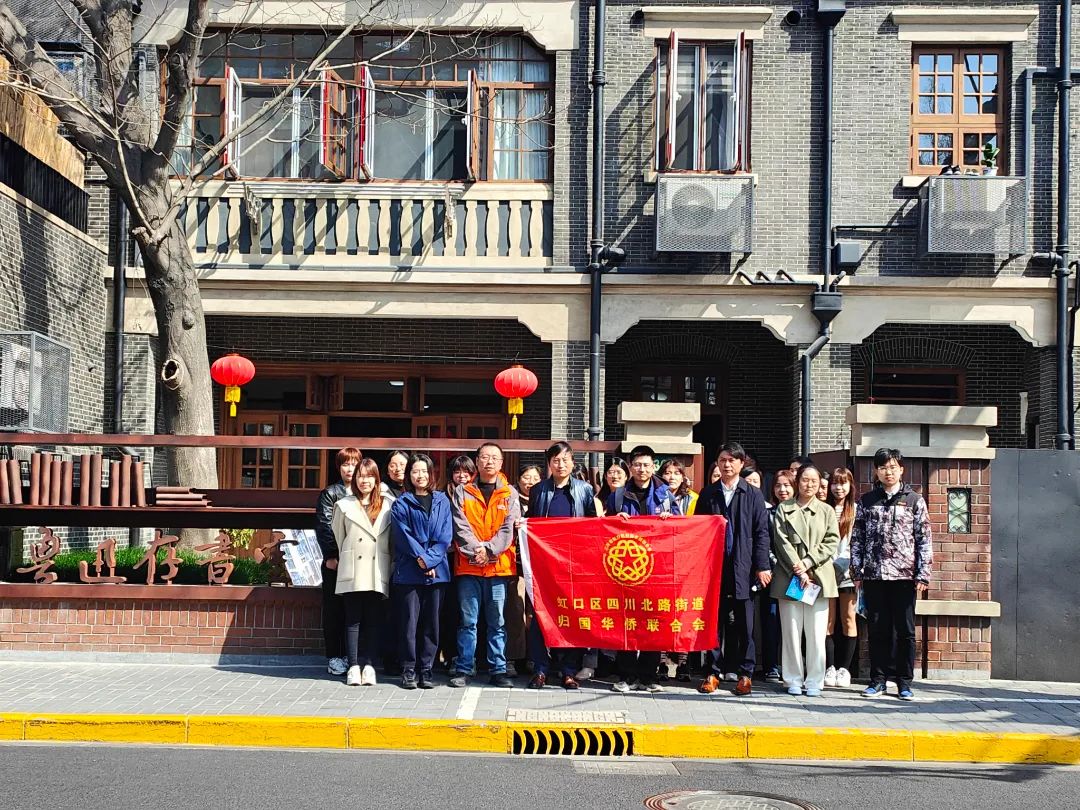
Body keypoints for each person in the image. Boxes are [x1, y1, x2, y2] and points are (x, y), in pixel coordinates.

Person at [851, 449, 933, 702]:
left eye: (893, 467)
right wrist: (856, 570)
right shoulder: (867, 501)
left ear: (901, 470)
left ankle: (904, 682)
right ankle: (877, 680)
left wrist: (923, 574)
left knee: (905, 631)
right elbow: (857, 538)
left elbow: (924, 538)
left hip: (904, 577)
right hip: (874, 575)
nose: (888, 472)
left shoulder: (914, 500)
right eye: (883, 467)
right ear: (876, 471)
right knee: (878, 630)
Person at [696, 442, 772, 697]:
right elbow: (697, 531)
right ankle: (713, 672)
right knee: (714, 624)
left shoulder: (753, 494)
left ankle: (745, 674)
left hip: (744, 568)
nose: (727, 464)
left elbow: (761, 533)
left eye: (732, 460)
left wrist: (762, 566)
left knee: (745, 625)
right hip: (714, 569)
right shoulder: (708, 494)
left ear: (741, 463)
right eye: (723, 460)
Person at [604, 445, 679, 694]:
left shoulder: (665, 494)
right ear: (630, 467)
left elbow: (680, 528)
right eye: (637, 464)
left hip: (657, 569)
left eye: (646, 464)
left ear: (654, 466)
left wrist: (671, 520)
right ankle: (627, 675)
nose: (642, 469)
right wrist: (616, 520)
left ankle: (648, 675)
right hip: (627, 567)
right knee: (626, 621)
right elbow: (605, 529)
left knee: (653, 621)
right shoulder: (618, 495)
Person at [525, 441, 597, 689]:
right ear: (549, 464)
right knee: (540, 615)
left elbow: (592, 526)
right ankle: (541, 669)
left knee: (572, 615)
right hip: (544, 565)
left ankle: (568, 670)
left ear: (573, 463)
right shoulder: (538, 490)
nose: (560, 465)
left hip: (574, 565)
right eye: (555, 460)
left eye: (565, 460)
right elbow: (531, 522)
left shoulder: (584, 490)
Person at [449, 442, 520, 688]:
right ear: (477, 461)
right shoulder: (463, 492)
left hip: (498, 568)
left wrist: (488, 551)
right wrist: (477, 551)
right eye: (484, 457)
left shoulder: (510, 493)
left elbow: (508, 528)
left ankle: (498, 669)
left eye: (494, 458)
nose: (489, 461)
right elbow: (459, 526)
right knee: (467, 622)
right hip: (469, 567)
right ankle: (464, 668)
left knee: (497, 622)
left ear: (501, 463)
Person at [770, 463, 840, 697]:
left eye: (814, 481)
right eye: (805, 480)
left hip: (817, 577)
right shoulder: (784, 508)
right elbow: (781, 542)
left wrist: (808, 563)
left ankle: (815, 680)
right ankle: (792, 678)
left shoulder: (826, 510)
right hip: (789, 576)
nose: (809, 485)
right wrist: (799, 569)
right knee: (791, 632)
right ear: (797, 481)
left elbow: (831, 541)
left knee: (817, 633)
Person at [390, 453, 453, 689]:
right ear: (409, 475)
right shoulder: (401, 503)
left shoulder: (442, 501)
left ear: (431, 474)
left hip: (437, 573)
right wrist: (423, 561)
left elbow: (445, 536)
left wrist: (430, 561)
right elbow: (403, 536)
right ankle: (408, 669)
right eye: (415, 471)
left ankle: (427, 669)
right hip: (409, 571)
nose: (420, 476)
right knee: (409, 623)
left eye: (424, 471)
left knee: (431, 623)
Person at [332, 458, 394, 687]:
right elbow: (339, 537)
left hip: (378, 567)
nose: (364, 480)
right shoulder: (343, 505)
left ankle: (368, 665)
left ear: (377, 479)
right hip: (353, 567)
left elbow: (392, 540)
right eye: (360, 475)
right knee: (353, 619)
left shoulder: (389, 504)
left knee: (373, 620)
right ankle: (353, 666)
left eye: (369, 476)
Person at [315, 447, 360, 677]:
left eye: (354, 464)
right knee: (334, 609)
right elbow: (324, 526)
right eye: (345, 464)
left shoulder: (366, 491)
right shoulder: (331, 493)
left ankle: (352, 656)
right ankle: (334, 656)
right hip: (336, 562)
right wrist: (332, 555)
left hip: (358, 561)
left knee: (354, 610)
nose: (350, 469)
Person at [438, 455, 477, 671]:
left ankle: (467, 657)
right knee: (449, 610)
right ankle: (449, 654)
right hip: (448, 558)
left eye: (466, 471)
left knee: (467, 612)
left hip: (470, 559)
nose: (462, 476)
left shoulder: (476, 495)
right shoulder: (443, 497)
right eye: (457, 471)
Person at [759, 469, 796, 683]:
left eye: (787, 485)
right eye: (778, 485)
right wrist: (778, 566)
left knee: (795, 623)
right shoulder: (768, 514)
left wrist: (798, 567)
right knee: (771, 621)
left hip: (799, 575)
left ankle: (793, 666)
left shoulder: (801, 512)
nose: (782, 490)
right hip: (774, 575)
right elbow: (764, 544)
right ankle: (771, 665)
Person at [505, 466, 542, 677]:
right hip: (516, 563)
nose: (530, 481)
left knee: (535, 612)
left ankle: (533, 657)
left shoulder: (543, 499)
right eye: (526, 477)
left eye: (535, 478)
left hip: (539, 565)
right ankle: (513, 657)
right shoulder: (510, 499)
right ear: (518, 480)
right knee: (515, 611)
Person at [825, 467, 859, 689]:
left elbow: (858, 543)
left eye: (843, 483)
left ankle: (844, 669)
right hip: (825, 572)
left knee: (848, 619)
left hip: (848, 573)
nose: (839, 488)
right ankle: (829, 667)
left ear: (850, 485)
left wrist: (848, 566)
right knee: (827, 621)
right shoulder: (823, 508)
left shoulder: (856, 510)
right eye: (835, 483)